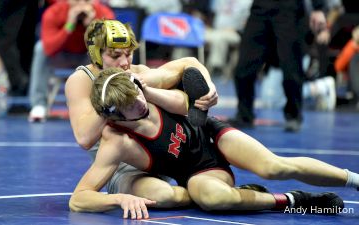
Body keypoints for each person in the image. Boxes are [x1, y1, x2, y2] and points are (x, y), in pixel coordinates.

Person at [70, 67, 358, 219]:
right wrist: (119, 199)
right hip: (197, 173)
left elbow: (188, 103)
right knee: (212, 199)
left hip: (212, 135)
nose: (140, 103)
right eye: (131, 106)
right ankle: (294, 201)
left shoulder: (147, 91)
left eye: (138, 94)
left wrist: (151, 90)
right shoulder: (116, 141)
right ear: (115, 115)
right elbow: (79, 198)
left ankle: (354, 179)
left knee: (274, 167)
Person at [65, 19, 218, 213]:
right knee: (165, 196)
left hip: (163, 156)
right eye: (115, 56)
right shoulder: (81, 80)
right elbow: (84, 138)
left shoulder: (137, 73)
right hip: (122, 167)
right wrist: (110, 97)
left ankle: (215, 194)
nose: (124, 63)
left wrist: (209, 88)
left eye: (128, 54)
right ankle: (207, 194)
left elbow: (190, 63)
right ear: (96, 54)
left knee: (174, 95)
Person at [228, 0, 328, 132]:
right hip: (260, 9)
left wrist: (318, 8)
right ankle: (244, 115)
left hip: (289, 9)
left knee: (291, 67)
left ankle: (293, 116)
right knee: (244, 67)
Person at [28, 0, 115, 122]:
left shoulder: (103, 13)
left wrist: (92, 26)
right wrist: (69, 24)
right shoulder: (54, 12)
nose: (81, 5)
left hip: (87, 57)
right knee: (40, 49)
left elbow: (108, 49)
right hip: (61, 55)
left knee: (108, 54)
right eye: (77, 1)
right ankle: (39, 105)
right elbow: (48, 48)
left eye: (85, 1)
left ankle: (104, 103)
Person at [334, 25, 359, 108]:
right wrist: (353, 45)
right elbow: (338, 66)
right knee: (355, 59)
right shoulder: (353, 48)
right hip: (353, 88)